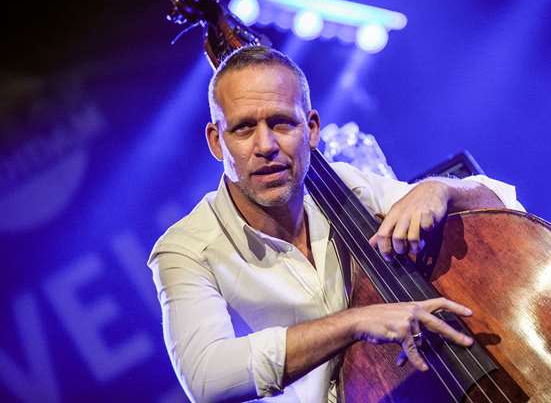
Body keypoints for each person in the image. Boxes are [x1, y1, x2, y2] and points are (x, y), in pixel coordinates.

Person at [148, 45, 525, 402]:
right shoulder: (184, 249)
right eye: (244, 128)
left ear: (311, 129)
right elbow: (206, 378)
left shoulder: (345, 186)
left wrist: (439, 190)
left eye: (281, 123)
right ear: (217, 142)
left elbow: (509, 210)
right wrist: (355, 322)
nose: (265, 146)